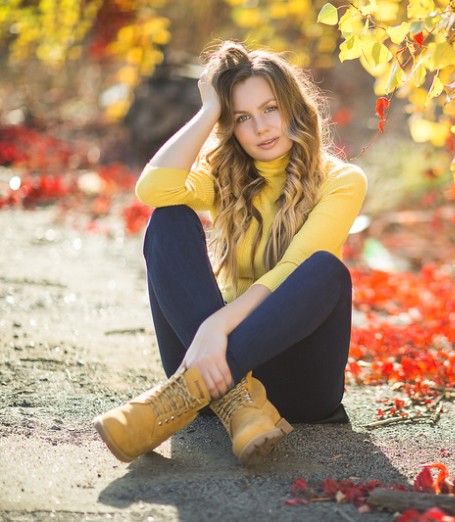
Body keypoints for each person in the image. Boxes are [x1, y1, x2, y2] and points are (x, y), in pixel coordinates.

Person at [93, 41, 367, 467]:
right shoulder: (226, 174)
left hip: (299, 384)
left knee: (326, 271)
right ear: (231, 126)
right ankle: (239, 404)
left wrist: (217, 326)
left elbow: (294, 269)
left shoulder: (343, 180)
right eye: (242, 117)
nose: (261, 127)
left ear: (294, 107)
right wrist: (206, 112)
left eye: (270, 108)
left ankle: (181, 396)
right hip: (215, 361)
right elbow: (152, 189)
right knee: (168, 220)